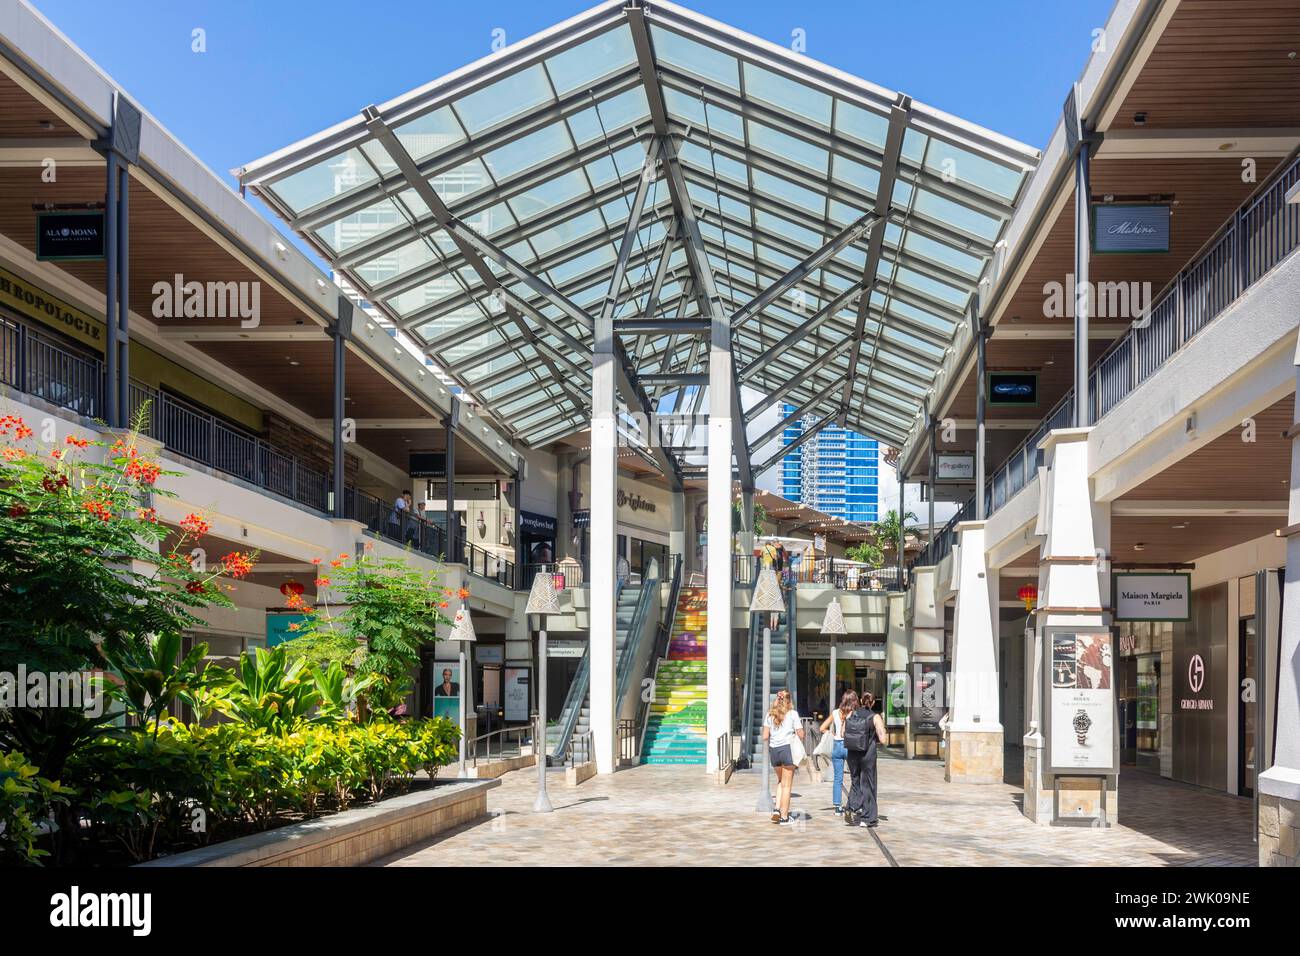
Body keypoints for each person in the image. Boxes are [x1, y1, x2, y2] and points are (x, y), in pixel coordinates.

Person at [842, 690, 887, 828]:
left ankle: (851, 807)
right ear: (873, 702)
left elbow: (842, 733)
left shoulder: (851, 714)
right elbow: (883, 739)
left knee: (855, 781)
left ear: (861, 701)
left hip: (852, 753)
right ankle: (868, 818)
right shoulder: (875, 717)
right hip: (868, 753)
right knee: (868, 784)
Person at [762, 689, 804, 825]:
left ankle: (777, 809)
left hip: (774, 751)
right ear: (789, 700)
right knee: (787, 786)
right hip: (787, 750)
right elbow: (801, 734)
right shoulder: (793, 714)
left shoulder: (769, 715)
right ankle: (785, 817)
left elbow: (765, 736)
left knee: (780, 781)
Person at [819, 690, 857, 815]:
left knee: (838, 778)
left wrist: (832, 734)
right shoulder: (853, 713)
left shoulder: (835, 712)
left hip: (837, 746)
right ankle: (854, 804)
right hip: (849, 746)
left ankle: (837, 807)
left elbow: (822, 728)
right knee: (855, 777)